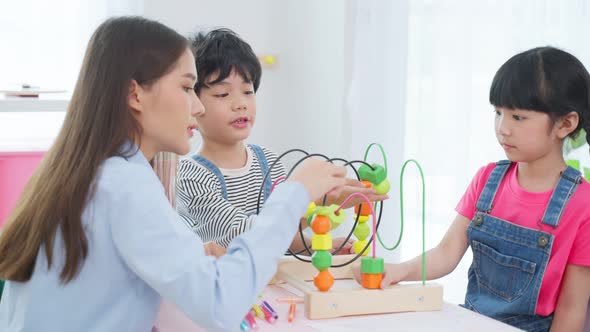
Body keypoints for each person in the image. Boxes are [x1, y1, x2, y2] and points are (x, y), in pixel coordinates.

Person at [0, 16, 347, 331]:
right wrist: (296, 193)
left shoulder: (89, 174)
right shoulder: (125, 185)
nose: (197, 107)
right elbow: (221, 303)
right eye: (186, 88)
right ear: (134, 93)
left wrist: (195, 261)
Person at [354, 47, 590, 331]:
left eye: (518, 117)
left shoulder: (583, 205)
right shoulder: (489, 179)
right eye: (498, 112)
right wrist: (398, 271)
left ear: (566, 123)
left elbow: (571, 312)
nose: (503, 128)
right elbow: (446, 253)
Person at [177, 28, 387, 252]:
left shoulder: (267, 161)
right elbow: (239, 234)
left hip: (270, 283)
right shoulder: (192, 176)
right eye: (222, 94)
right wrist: (312, 199)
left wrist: (316, 249)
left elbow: (283, 232)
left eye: (248, 91)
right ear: (193, 103)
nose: (240, 104)